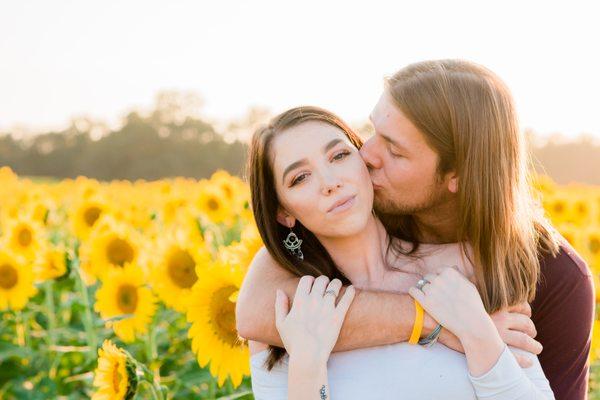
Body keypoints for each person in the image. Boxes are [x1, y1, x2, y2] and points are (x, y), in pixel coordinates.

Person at [237, 60, 594, 399]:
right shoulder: (295, 296)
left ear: (456, 176)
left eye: (340, 155)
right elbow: (252, 311)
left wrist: (477, 332)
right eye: (300, 177)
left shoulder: (504, 272)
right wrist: (436, 321)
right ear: (284, 211)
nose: (368, 155)